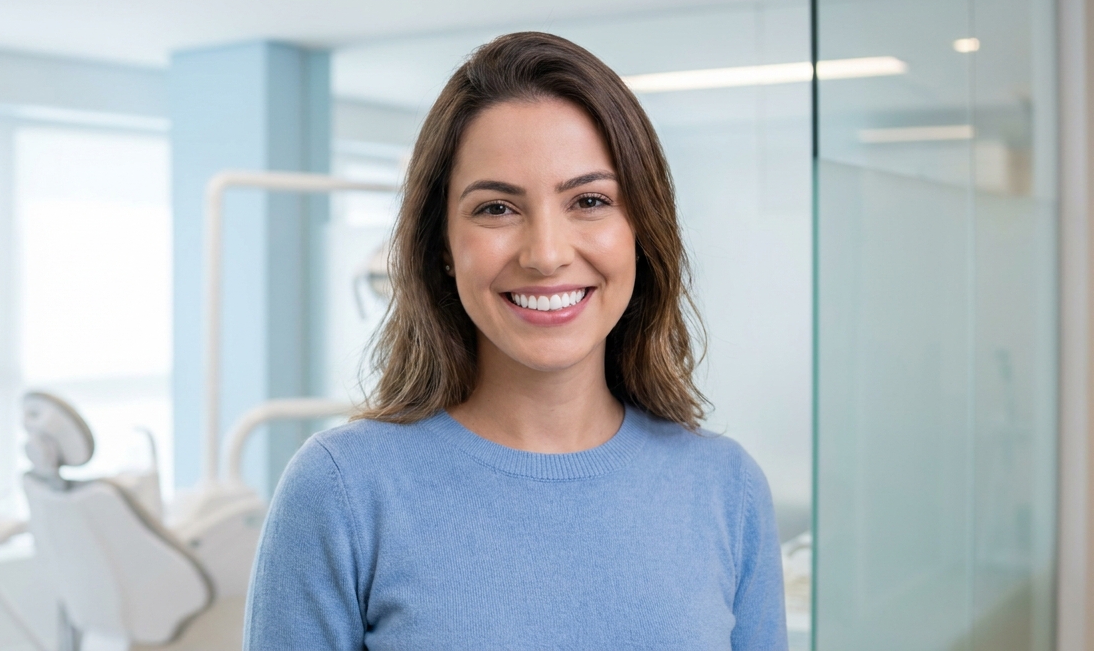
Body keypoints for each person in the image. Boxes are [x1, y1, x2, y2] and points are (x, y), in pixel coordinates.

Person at [243, 32, 787, 650]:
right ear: (442, 246)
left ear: (641, 229)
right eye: (497, 209)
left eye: (589, 200)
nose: (547, 254)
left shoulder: (727, 489)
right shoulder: (341, 491)